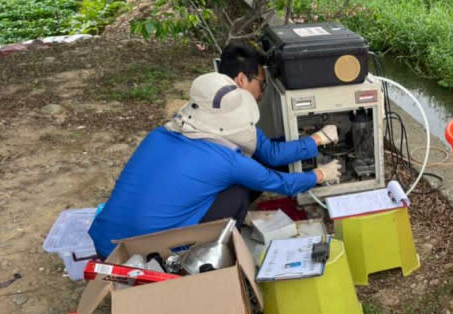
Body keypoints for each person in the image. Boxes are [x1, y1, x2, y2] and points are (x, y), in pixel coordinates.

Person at [88, 72, 341, 258]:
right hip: (147, 256)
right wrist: (320, 174)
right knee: (239, 191)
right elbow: (280, 183)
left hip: (106, 246)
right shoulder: (228, 161)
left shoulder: (158, 135)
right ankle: (208, 254)